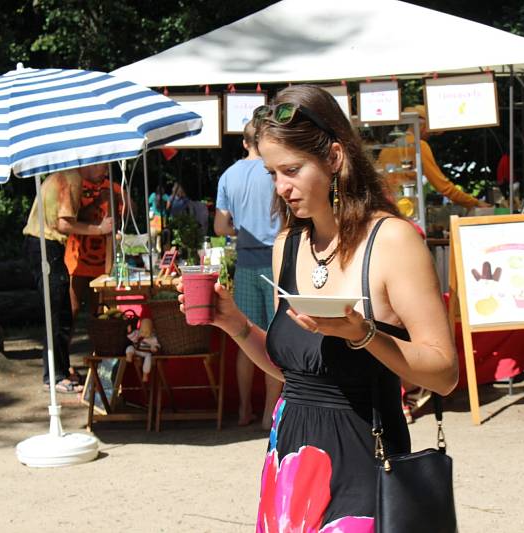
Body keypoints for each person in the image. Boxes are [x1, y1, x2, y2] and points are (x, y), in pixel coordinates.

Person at [178, 85, 458, 529]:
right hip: (290, 465)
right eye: (272, 173)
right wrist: (235, 324)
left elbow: (444, 374)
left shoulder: (392, 242)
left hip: (366, 463)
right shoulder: (287, 245)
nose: (281, 187)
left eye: (291, 170)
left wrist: (363, 334)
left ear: (334, 157)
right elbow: (296, 374)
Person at [214, 121, 283, 429]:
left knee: (244, 336)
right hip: (276, 262)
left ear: (244, 143)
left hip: (244, 263)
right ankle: (270, 413)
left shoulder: (229, 176)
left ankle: (244, 410)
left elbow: (219, 228)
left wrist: (239, 230)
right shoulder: (275, 171)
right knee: (274, 339)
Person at [22, 164, 113, 394]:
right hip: (45, 245)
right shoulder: (72, 179)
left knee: (61, 310)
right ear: (91, 163)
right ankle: (54, 375)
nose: (106, 172)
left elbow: (71, 217)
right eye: (103, 165)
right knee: (58, 310)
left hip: (44, 245)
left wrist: (93, 205)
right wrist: (100, 229)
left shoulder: (70, 177)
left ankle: (59, 370)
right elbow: (63, 224)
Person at [376, 104, 490, 209]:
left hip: (383, 205)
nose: (430, 136)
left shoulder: (388, 148)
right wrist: (475, 202)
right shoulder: (419, 145)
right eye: (431, 132)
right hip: (403, 208)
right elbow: (443, 186)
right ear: (423, 126)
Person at [64, 169, 124, 337]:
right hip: (77, 260)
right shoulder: (77, 185)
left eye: (105, 166)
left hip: (104, 263)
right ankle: (63, 360)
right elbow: (72, 218)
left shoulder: (113, 186)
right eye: (100, 165)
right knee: (71, 311)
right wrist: (97, 202)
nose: (103, 170)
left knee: (99, 312)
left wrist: (121, 199)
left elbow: (131, 211)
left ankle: (98, 356)